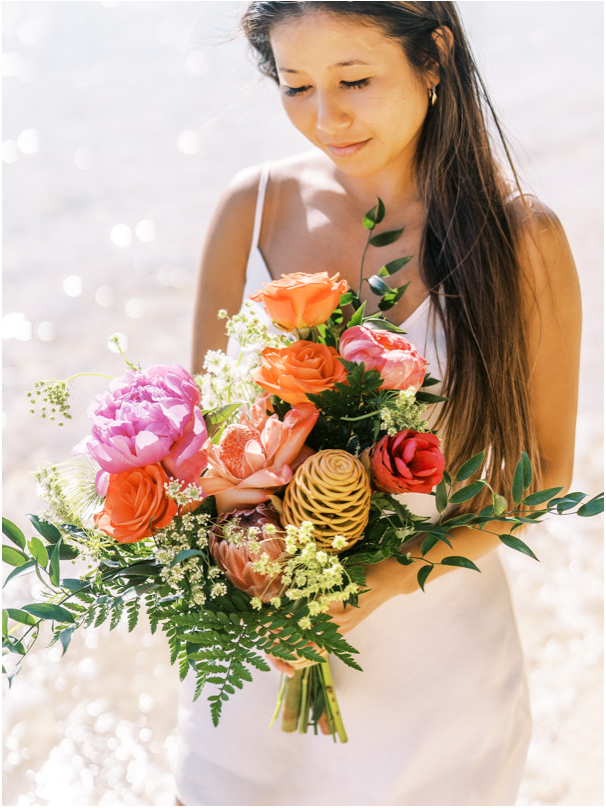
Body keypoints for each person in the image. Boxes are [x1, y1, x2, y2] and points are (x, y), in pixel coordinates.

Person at [182, 2, 580, 804]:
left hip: (436, 674)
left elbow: (540, 473)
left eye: (354, 79)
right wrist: (248, 561)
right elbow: (199, 442)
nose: (325, 117)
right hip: (264, 653)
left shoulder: (520, 239)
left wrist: (387, 578)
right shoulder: (248, 209)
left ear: (433, 56)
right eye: (294, 86)